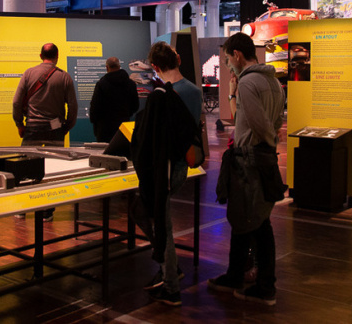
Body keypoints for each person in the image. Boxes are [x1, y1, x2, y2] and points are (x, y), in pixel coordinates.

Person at [209, 32, 286, 306]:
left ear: (237, 55)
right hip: (261, 158)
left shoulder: (249, 82)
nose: (228, 65)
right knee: (246, 221)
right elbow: (275, 120)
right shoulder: (273, 83)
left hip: (250, 159)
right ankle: (235, 275)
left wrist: (266, 141)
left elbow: (258, 123)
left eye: (228, 59)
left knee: (256, 224)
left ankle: (266, 286)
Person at [131, 41, 202, 307]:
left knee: (163, 224)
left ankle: (170, 280)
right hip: (181, 166)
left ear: (156, 67)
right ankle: (168, 267)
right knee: (152, 216)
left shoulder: (163, 95)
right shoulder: (193, 91)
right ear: (179, 59)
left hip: (165, 168)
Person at [12, 43, 77, 221]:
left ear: (41, 55)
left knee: (24, 167)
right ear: (57, 56)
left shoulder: (28, 73)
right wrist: (66, 127)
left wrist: (19, 123)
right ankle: (47, 211)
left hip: (32, 127)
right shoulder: (64, 77)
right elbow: (72, 106)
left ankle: (22, 208)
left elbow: (17, 102)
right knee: (52, 170)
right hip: (55, 129)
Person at [89, 56, 139, 143]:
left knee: (105, 154)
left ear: (107, 68)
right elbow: (135, 106)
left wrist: (95, 121)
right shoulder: (130, 84)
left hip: (104, 130)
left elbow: (95, 107)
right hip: (123, 127)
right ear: (119, 67)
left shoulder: (101, 84)